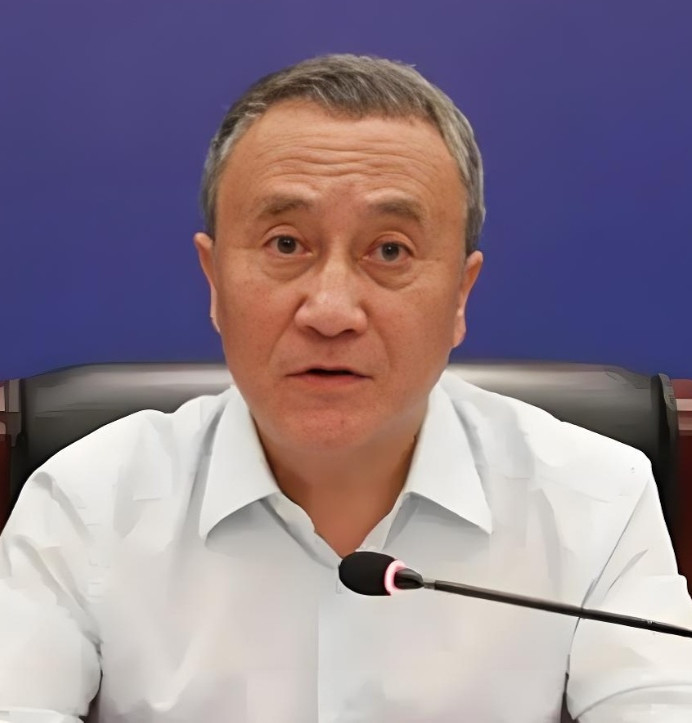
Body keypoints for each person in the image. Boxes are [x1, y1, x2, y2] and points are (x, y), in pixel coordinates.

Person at [1, 54, 691, 723]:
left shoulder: (598, 503)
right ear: (214, 281)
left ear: (460, 293)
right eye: (286, 244)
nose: (330, 311)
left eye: (390, 250)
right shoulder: (84, 505)